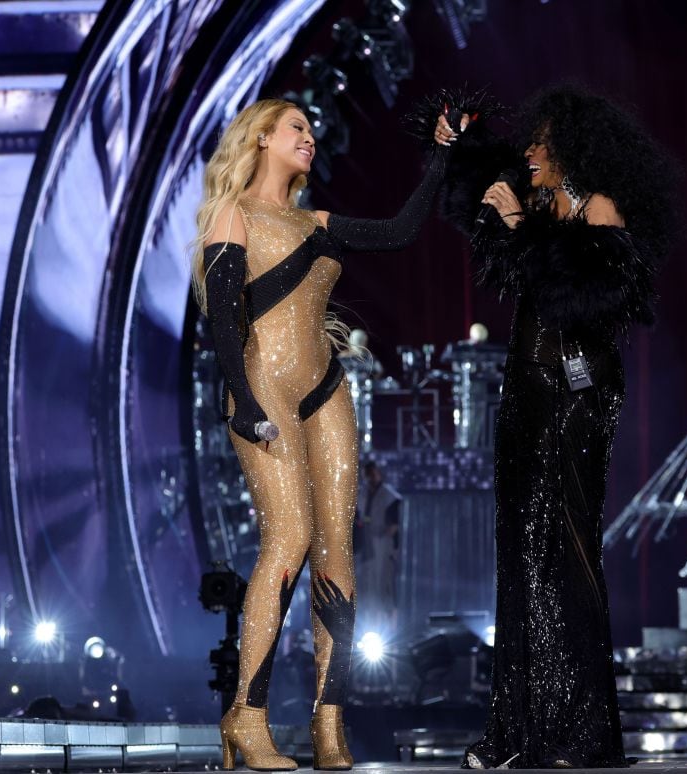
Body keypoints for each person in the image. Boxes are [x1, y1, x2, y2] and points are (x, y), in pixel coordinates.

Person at [413, 85, 678, 768]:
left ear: (571, 152)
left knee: (562, 557)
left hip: (576, 396)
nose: (529, 152)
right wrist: (456, 145)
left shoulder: (599, 209)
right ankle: (520, 733)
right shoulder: (535, 203)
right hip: (526, 395)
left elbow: (587, 296)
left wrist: (525, 232)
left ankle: (578, 732)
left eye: (540, 143)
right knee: (520, 558)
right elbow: (472, 200)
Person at [192, 98, 454, 771]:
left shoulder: (319, 222)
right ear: (260, 140)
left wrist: (441, 157)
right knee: (291, 537)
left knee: (340, 549)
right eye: (296, 128)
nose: (310, 137)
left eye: (312, 128)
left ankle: (328, 722)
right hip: (262, 386)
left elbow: (399, 231)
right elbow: (224, 322)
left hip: (326, 387)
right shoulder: (235, 215)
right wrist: (244, 402)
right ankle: (246, 717)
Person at [355, 460, 403, 630]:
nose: (369, 479)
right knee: (368, 589)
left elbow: (394, 526)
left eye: (372, 474)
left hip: (383, 548)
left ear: (378, 474)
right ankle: (370, 627)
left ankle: (390, 629)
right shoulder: (362, 494)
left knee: (385, 589)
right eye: (366, 475)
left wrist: (382, 541)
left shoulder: (389, 496)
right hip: (367, 549)